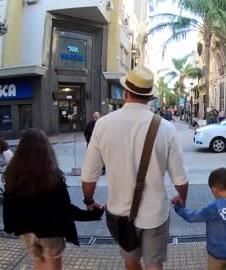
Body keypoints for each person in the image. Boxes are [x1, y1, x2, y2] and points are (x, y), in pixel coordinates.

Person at [81, 66, 189, 270]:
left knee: (130, 262)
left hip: (120, 215)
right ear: (149, 98)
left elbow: (88, 176)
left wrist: (89, 201)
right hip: (155, 213)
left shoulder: (102, 125)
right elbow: (180, 179)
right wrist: (182, 197)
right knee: (154, 264)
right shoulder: (166, 128)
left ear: (125, 93)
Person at [2, 129, 103, 270]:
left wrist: (8, 226)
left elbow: (8, 204)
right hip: (51, 232)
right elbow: (66, 209)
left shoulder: (13, 176)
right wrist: (93, 214)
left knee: (39, 262)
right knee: (53, 265)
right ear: (46, 150)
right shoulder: (52, 177)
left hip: (26, 232)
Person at [173, 168, 226, 270]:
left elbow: (191, 216)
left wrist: (178, 207)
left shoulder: (214, 208)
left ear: (214, 190)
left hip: (216, 254)